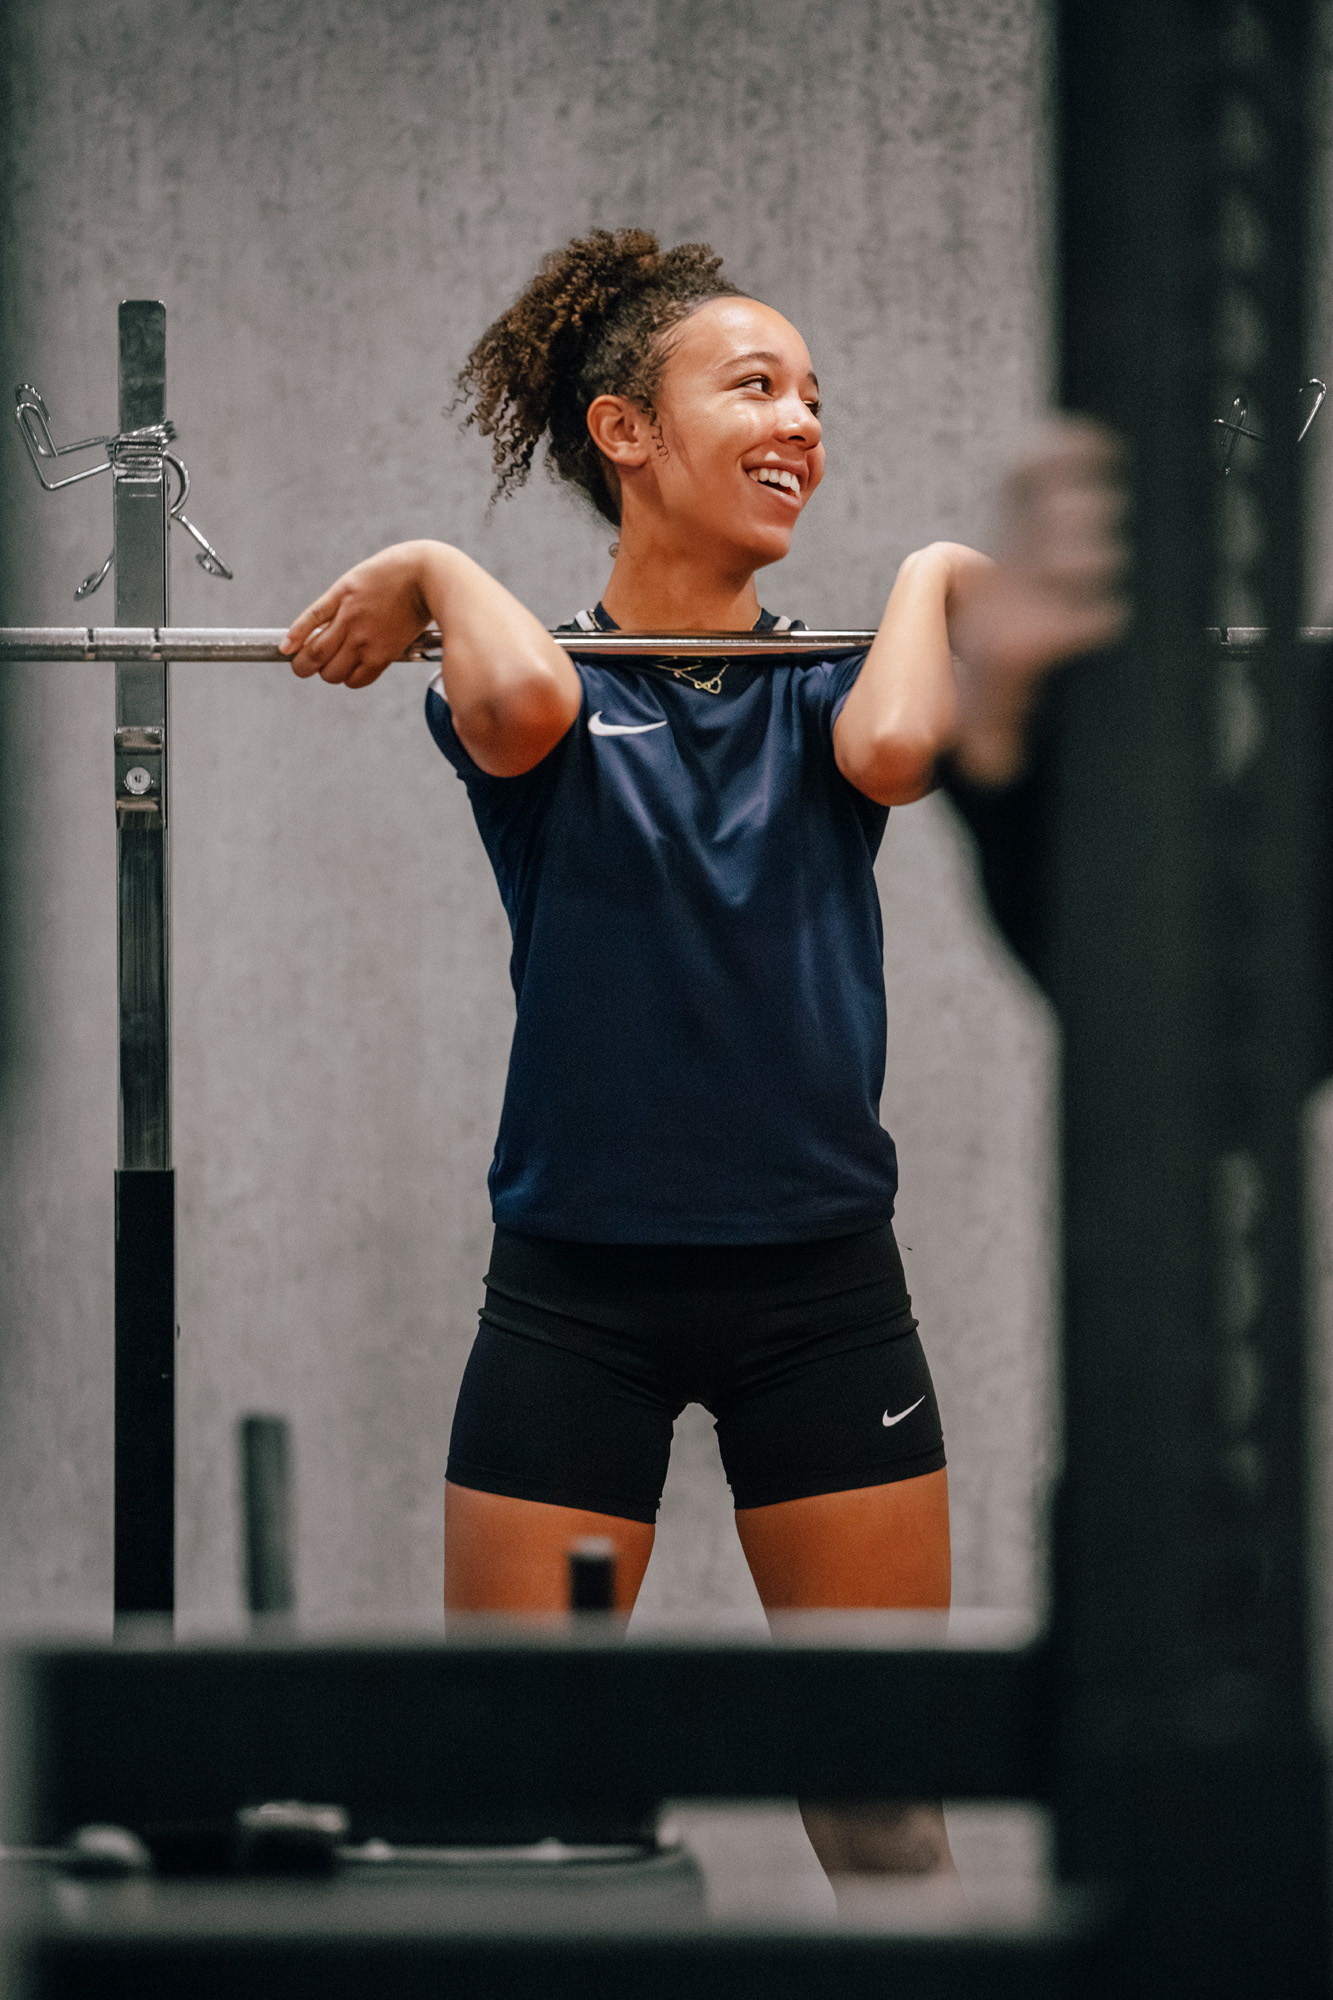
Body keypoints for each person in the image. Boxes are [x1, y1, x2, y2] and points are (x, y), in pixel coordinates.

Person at [281, 228, 1126, 1882]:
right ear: (625, 431)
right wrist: (435, 562)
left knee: (878, 1799)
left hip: (820, 1296)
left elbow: (896, 749)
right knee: (522, 1797)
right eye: (754, 386)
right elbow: (517, 708)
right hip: (570, 1300)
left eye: (814, 396)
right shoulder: (534, 683)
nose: (801, 421)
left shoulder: (829, 686)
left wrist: (939, 570)